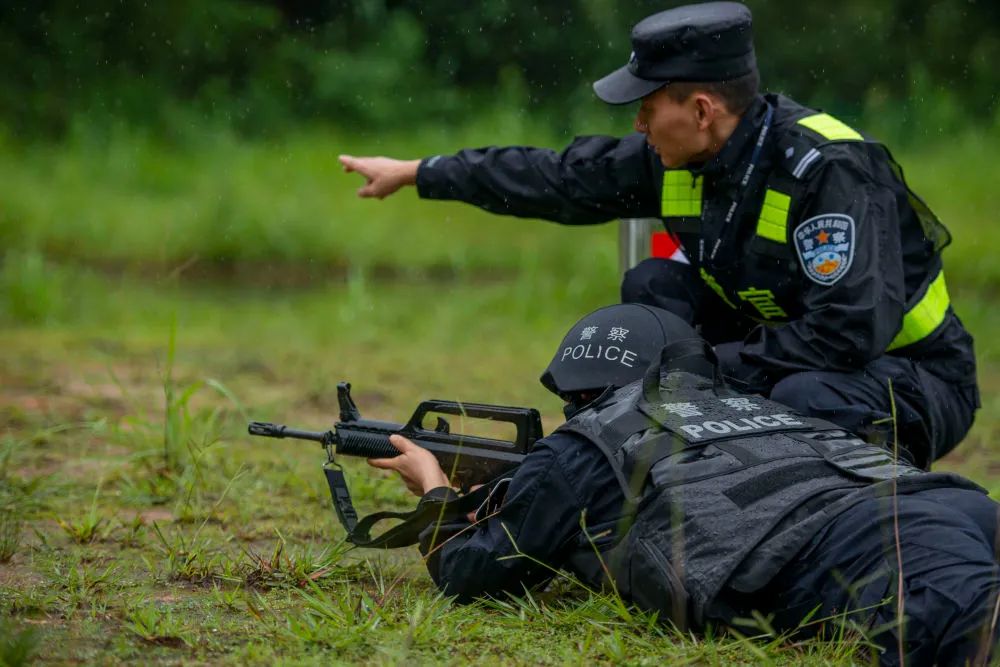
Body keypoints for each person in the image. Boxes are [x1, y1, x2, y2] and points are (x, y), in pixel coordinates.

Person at [339, 2, 978, 469]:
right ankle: (665, 463)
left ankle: (849, 505)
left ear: (701, 110)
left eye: (648, 105)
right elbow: (559, 178)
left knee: (804, 397)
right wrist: (421, 173)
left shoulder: (829, 169)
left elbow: (846, 333)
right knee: (654, 283)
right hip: (781, 351)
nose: (639, 122)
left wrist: (699, 376)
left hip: (909, 375)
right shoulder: (678, 156)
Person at [368, 303, 999, 667]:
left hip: (868, 544)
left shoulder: (588, 442)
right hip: (947, 500)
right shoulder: (765, 405)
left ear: (583, 392)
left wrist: (434, 492)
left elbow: (474, 573)